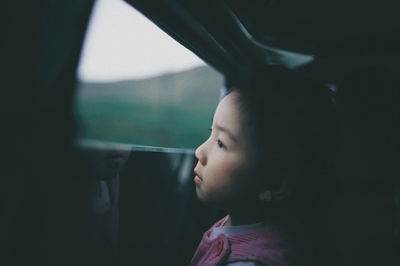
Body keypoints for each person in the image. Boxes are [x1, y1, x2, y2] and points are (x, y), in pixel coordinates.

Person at [190, 65, 338, 266]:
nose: (199, 151)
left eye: (221, 143)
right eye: (211, 131)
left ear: (275, 183)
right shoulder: (237, 221)